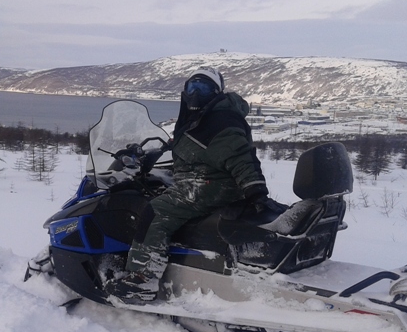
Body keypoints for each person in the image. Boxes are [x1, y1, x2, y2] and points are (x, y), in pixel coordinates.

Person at [105, 66, 285, 304]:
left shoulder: (221, 120)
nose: (196, 94)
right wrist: (148, 153)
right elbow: (190, 145)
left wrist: (255, 190)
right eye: (192, 87)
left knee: (155, 212)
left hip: (209, 186)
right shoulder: (203, 118)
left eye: (204, 88)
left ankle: (143, 279)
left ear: (217, 92)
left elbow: (240, 156)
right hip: (203, 178)